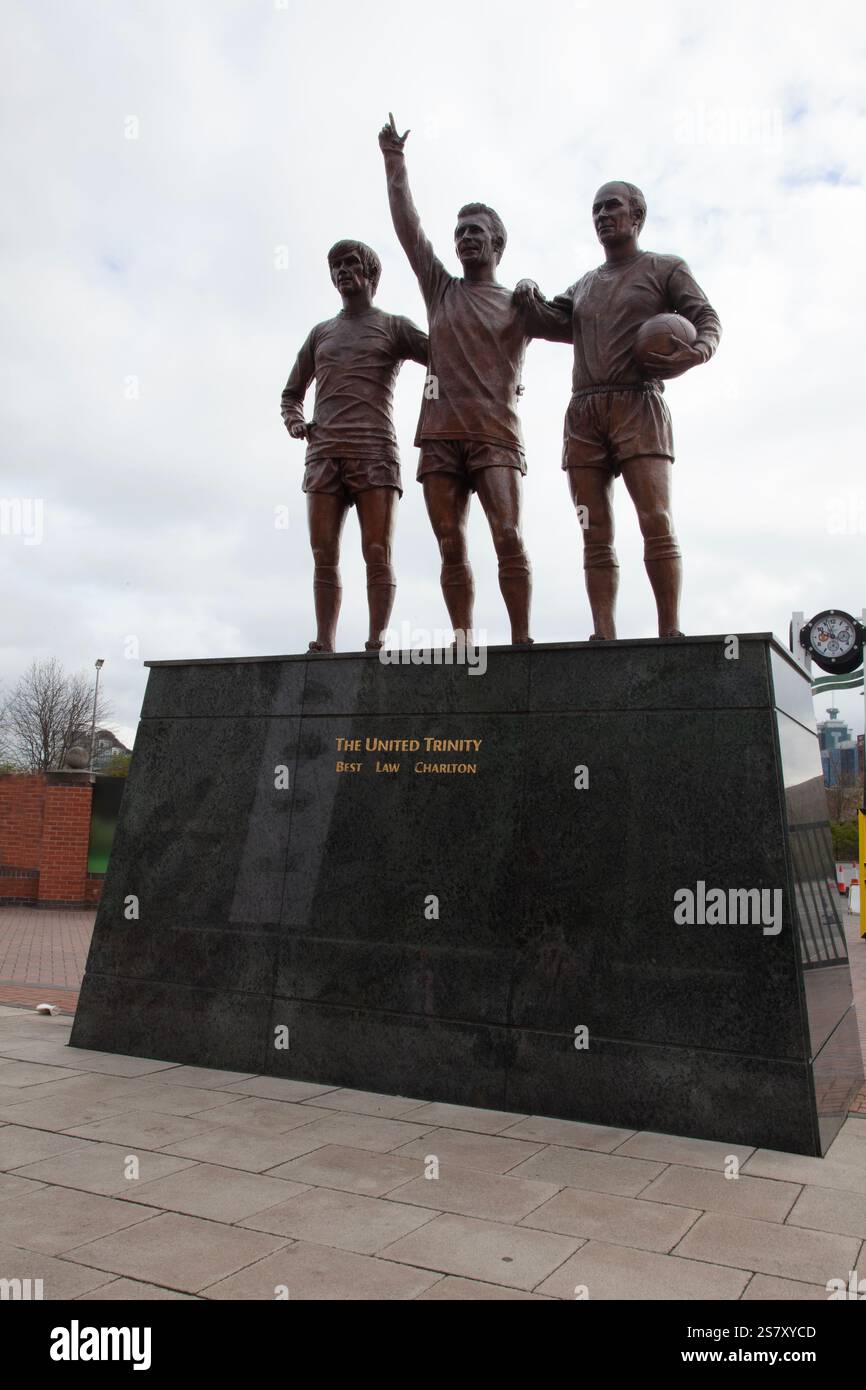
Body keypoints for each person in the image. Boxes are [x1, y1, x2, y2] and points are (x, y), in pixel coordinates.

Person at [378, 113, 563, 646]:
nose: (464, 240)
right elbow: (407, 228)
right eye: (459, 233)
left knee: (507, 535)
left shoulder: (519, 302)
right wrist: (395, 162)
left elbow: (580, 322)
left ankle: (522, 639)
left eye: (475, 233)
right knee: (448, 542)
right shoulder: (440, 288)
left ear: (497, 244)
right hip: (439, 436)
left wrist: (538, 290)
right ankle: (463, 639)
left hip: (495, 435)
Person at [515, 181, 721, 639]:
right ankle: (603, 633)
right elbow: (546, 318)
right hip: (585, 413)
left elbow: (706, 317)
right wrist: (528, 291)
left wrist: (699, 351)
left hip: (638, 404)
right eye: (596, 210)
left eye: (612, 207)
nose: (603, 216)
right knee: (594, 530)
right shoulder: (585, 284)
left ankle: (670, 631)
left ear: (637, 216)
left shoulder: (665, 268)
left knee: (656, 520)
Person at [280, 239, 427, 651]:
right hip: (324, 454)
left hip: (375, 452)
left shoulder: (395, 326)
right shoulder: (320, 333)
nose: (341, 271)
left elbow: (446, 358)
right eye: (335, 266)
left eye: (350, 263)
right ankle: (324, 641)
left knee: (377, 551)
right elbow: (291, 393)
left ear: (370, 274)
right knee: (323, 554)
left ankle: (377, 641)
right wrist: (295, 421)